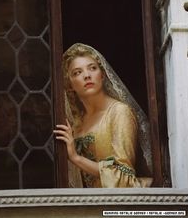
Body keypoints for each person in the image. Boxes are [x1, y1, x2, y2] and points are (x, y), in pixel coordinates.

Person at [53, 43, 153, 188]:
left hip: (119, 202)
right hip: (86, 205)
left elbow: (123, 176)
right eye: (77, 72)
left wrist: (76, 158)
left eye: (92, 68)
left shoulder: (119, 112)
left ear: (103, 75)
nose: (87, 75)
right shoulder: (75, 124)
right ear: (69, 85)